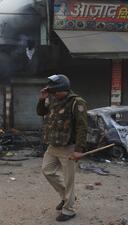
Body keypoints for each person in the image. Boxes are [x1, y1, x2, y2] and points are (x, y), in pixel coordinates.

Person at [37, 74, 88, 222]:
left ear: (63, 89)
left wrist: (79, 149)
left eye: (55, 91)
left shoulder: (77, 102)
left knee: (69, 180)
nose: (52, 94)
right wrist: (42, 98)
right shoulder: (53, 99)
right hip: (53, 145)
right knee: (47, 171)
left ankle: (69, 210)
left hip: (68, 147)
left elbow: (82, 127)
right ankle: (67, 196)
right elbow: (40, 112)